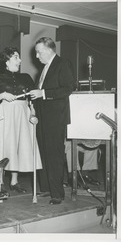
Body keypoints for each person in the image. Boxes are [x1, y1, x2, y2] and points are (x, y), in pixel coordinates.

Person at [0, 47, 42, 193]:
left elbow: (32, 100)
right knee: (4, 147)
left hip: (23, 113)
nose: (20, 60)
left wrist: (32, 113)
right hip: (5, 113)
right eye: (16, 57)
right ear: (7, 60)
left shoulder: (26, 77)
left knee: (19, 146)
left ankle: (14, 181)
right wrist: (3, 95)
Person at [30, 37, 74, 205]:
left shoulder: (63, 64)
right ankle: (48, 188)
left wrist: (43, 93)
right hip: (43, 118)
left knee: (54, 155)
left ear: (48, 51)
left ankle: (57, 194)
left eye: (39, 52)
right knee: (45, 154)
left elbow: (68, 88)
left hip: (55, 118)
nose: (36, 56)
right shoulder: (44, 68)